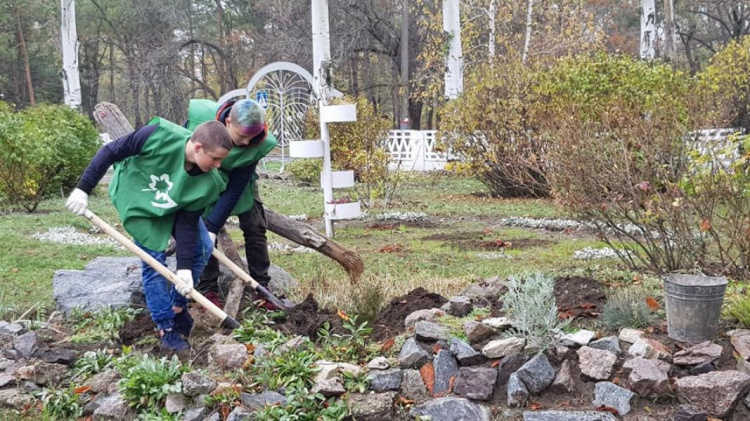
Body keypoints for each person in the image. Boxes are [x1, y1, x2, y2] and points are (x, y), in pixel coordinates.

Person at [66, 118, 233, 352]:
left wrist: (184, 269)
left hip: (174, 202)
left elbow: (186, 222)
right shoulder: (157, 136)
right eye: (215, 158)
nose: (218, 165)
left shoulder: (207, 180)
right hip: (140, 199)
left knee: (203, 247)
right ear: (197, 148)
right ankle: (166, 328)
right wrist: (82, 189)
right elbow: (110, 151)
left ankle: (177, 308)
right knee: (154, 261)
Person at [185, 98, 278, 310]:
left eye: (251, 138)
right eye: (242, 136)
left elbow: (235, 188)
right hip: (205, 174)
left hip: (241, 181)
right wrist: (209, 229)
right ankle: (208, 288)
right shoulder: (202, 123)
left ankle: (261, 288)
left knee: (255, 225)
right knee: (203, 226)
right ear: (228, 123)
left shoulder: (256, 142)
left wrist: (214, 227)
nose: (246, 143)